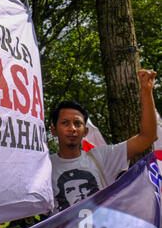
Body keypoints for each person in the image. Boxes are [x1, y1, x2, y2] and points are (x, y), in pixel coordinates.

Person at [49, 69, 158, 213]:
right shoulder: (44, 167)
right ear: (53, 130)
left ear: (85, 131)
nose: (72, 128)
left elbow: (147, 137)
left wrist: (146, 91)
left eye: (77, 123)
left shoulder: (102, 157)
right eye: (65, 123)